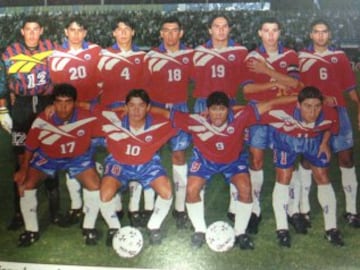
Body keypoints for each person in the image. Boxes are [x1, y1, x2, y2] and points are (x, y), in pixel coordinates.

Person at [152, 91, 297, 249]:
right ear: (207, 110)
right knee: (192, 189)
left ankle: (240, 232)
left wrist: (299, 97)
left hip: (232, 161)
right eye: (214, 109)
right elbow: (167, 113)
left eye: (222, 109)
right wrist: (136, 108)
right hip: (205, 161)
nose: (218, 114)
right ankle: (200, 230)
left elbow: (269, 104)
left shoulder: (240, 117)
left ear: (229, 110)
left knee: (245, 188)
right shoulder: (196, 121)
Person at [13, 83, 101, 247]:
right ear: (53, 103)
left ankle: (88, 228)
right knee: (25, 185)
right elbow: (30, 146)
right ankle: (31, 231)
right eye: (59, 102)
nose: (63, 107)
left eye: (68, 102)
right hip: (49, 158)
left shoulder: (87, 116)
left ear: (75, 103)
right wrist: (24, 169)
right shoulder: (42, 119)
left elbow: (107, 112)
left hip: (77, 158)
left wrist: (83, 104)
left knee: (94, 185)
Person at [0, 15, 61, 231]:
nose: (33, 33)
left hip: (47, 105)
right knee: (20, 158)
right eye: (29, 29)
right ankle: (19, 213)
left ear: (42, 30)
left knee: (50, 155)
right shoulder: (10, 52)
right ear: (22, 32)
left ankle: (55, 211)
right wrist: (3, 109)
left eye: (36, 29)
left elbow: (63, 73)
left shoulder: (52, 48)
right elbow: (2, 82)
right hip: (23, 107)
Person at [242, 17, 302, 234]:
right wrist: (279, 82)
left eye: (274, 30)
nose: (270, 35)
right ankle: (255, 210)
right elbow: (248, 91)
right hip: (258, 116)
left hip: (285, 117)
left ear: (279, 32)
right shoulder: (252, 57)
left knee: (287, 165)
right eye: (266, 31)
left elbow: (295, 84)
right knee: (256, 161)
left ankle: (291, 210)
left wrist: (267, 73)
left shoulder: (290, 55)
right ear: (259, 33)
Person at [298, 19, 360, 228]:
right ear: (311, 35)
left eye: (324, 32)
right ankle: (304, 208)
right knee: (308, 161)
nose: (321, 35)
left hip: (339, 113)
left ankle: (352, 210)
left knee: (347, 159)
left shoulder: (339, 57)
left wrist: (359, 107)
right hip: (312, 114)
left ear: (330, 34)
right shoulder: (302, 58)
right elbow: (297, 87)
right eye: (317, 32)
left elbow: (350, 88)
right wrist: (321, 98)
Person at [263, 86, 343, 247]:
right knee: (284, 178)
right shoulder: (282, 111)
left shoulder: (330, 112)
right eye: (307, 106)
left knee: (323, 177)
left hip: (313, 141)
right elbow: (251, 113)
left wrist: (325, 143)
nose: (313, 112)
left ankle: (331, 229)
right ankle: (282, 229)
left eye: (317, 106)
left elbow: (330, 127)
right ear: (298, 105)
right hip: (287, 140)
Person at [98, 89, 176, 246]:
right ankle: (114, 228)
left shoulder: (159, 123)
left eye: (141, 106)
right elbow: (87, 110)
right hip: (119, 163)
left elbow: (183, 120)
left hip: (147, 163)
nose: (136, 110)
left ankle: (153, 226)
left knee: (166, 192)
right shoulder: (112, 120)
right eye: (131, 105)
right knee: (105, 194)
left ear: (148, 108)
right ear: (125, 107)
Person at [191, 14, 248, 224]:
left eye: (224, 26)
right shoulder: (198, 52)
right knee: (201, 154)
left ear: (229, 29)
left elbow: (247, 83)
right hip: (203, 104)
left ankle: (235, 207)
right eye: (216, 26)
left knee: (233, 153)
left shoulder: (240, 52)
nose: (221, 30)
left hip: (230, 107)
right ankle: (198, 205)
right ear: (210, 30)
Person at [48, 16, 103, 226]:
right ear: (65, 32)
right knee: (70, 157)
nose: (76, 34)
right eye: (72, 30)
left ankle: (104, 202)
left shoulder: (96, 51)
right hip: (70, 112)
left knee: (98, 152)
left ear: (85, 32)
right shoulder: (56, 55)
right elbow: (56, 87)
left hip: (92, 109)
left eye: (80, 30)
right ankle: (76, 205)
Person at [143, 16, 193, 229]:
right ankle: (148, 206)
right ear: (161, 33)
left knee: (179, 155)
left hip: (180, 109)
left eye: (175, 31)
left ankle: (180, 208)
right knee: (150, 155)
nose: (171, 35)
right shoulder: (151, 56)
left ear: (181, 33)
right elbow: (143, 88)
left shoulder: (190, 55)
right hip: (156, 110)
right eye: (167, 30)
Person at [97, 17, 148, 228]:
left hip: (135, 113)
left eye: (127, 29)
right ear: (113, 34)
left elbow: (148, 89)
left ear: (133, 32)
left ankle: (134, 206)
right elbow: (96, 86)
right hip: (112, 114)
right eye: (119, 30)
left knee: (137, 155)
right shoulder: (103, 55)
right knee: (115, 156)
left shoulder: (142, 57)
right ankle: (116, 201)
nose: (123, 33)